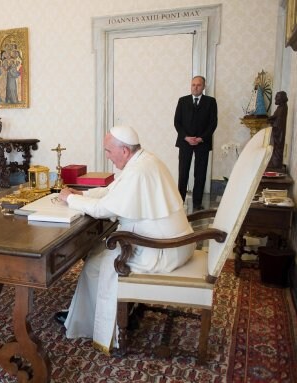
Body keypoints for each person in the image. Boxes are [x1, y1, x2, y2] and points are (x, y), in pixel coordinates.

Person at [53, 126, 195, 355]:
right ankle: (81, 315)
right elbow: (113, 191)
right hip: (172, 241)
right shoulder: (144, 160)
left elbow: (102, 209)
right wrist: (82, 195)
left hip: (161, 250)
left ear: (125, 151)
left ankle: (90, 325)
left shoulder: (138, 170)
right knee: (98, 252)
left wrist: (70, 199)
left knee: (95, 264)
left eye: (109, 151)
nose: (107, 156)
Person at [174, 75, 218, 210]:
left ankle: (197, 203)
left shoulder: (211, 102)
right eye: (193, 85)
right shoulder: (182, 101)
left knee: (200, 173)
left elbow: (213, 123)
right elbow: (177, 122)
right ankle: (179, 201)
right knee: (183, 172)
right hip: (185, 142)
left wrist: (201, 138)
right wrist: (186, 137)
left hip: (202, 142)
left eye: (198, 85)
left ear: (204, 87)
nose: (195, 87)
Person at [267, 91, 288, 170]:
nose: (275, 98)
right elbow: (275, 116)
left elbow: (279, 121)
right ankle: (274, 162)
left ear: (281, 98)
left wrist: (271, 122)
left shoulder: (283, 108)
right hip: (277, 130)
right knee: (274, 147)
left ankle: (276, 164)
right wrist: (270, 119)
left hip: (279, 132)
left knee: (277, 147)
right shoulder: (280, 107)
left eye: (277, 97)